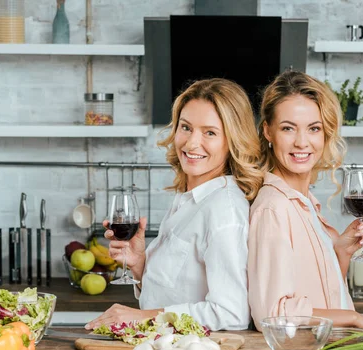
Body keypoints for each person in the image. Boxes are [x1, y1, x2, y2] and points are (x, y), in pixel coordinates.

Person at [85, 78, 262, 331]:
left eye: (209, 133)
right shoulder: (190, 198)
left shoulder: (224, 210)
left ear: (232, 140)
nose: (191, 143)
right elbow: (177, 290)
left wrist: (143, 317)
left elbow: (231, 313)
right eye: (186, 127)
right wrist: (139, 264)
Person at [248, 71, 363, 330]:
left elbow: (328, 294)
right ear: (268, 131)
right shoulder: (273, 209)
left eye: (313, 128)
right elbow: (273, 314)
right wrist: (353, 318)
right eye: (288, 128)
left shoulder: (305, 202)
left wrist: (341, 252)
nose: (301, 142)